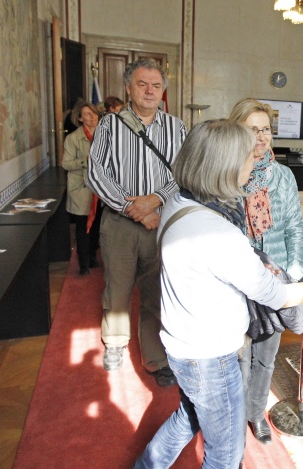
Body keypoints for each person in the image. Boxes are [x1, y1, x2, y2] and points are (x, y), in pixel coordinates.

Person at [133, 120, 303, 469]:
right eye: (248, 156)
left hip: (181, 344)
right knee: (226, 455)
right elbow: (274, 295)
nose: (255, 159)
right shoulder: (216, 231)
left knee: (189, 417)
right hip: (209, 357)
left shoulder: (179, 201)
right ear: (225, 166)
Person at [87, 58, 186, 387]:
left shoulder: (177, 127)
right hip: (120, 224)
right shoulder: (109, 125)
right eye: (142, 84)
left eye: (156, 86)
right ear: (128, 88)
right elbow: (96, 173)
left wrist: (155, 200)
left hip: (162, 222)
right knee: (117, 290)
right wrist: (132, 208)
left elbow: (184, 173)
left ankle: (156, 358)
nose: (149, 91)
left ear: (163, 91)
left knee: (156, 293)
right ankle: (115, 345)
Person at [227, 99, 303, 445]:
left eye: (266, 129)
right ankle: (234, 415)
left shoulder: (283, 175)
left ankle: (255, 413)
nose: (261, 137)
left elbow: (294, 227)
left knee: (267, 358)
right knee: (240, 354)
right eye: (253, 129)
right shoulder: (227, 174)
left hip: (275, 281)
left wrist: (294, 271)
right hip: (238, 279)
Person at [62, 99, 103, 274]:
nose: (92, 117)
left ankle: (93, 257)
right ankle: (83, 264)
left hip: (101, 189)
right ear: (79, 119)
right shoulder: (73, 138)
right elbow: (66, 163)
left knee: (97, 227)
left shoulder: (106, 134)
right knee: (83, 228)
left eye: (93, 113)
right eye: (87, 114)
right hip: (82, 189)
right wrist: (87, 161)